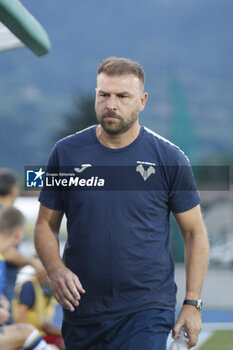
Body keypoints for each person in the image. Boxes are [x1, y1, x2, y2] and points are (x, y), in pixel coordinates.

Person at [34, 57, 209, 350]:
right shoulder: (65, 153)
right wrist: (55, 270)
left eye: (122, 96)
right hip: (82, 310)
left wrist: (193, 303)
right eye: (104, 95)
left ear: (142, 101)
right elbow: (44, 225)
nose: (111, 104)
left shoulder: (170, 159)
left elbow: (195, 234)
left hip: (146, 310)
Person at [0, 206, 58, 349]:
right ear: (19, 233)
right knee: (27, 332)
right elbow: (21, 319)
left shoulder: (2, 258)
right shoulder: (29, 286)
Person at [0, 168, 44, 323]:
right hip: (4, 287)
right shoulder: (8, 216)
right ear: (13, 190)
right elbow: (7, 252)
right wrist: (32, 262)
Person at [13, 263, 65, 350]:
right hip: (29, 335)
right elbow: (20, 319)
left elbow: (45, 325)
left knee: (67, 340)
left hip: (38, 333)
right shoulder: (29, 286)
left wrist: (65, 333)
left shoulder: (43, 291)